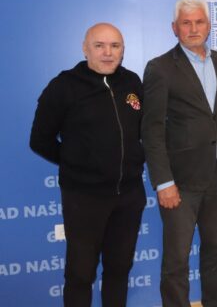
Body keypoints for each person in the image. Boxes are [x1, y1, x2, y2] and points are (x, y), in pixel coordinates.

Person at [29, 23, 146, 307]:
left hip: (129, 195)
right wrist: (78, 164)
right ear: (85, 48)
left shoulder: (132, 82)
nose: (108, 53)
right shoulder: (63, 86)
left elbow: (144, 130)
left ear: (122, 50)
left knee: (119, 269)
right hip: (84, 198)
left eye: (115, 46)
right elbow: (39, 140)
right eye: (99, 46)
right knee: (81, 274)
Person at [141, 0, 217, 306]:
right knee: (176, 260)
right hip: (180, 183)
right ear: (175, 28)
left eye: (199, 22)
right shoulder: (159, 68)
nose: (193, 28)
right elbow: (151, 130)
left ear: (208, 26)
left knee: (216, 253)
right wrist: (163, 182)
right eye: (186, 23)